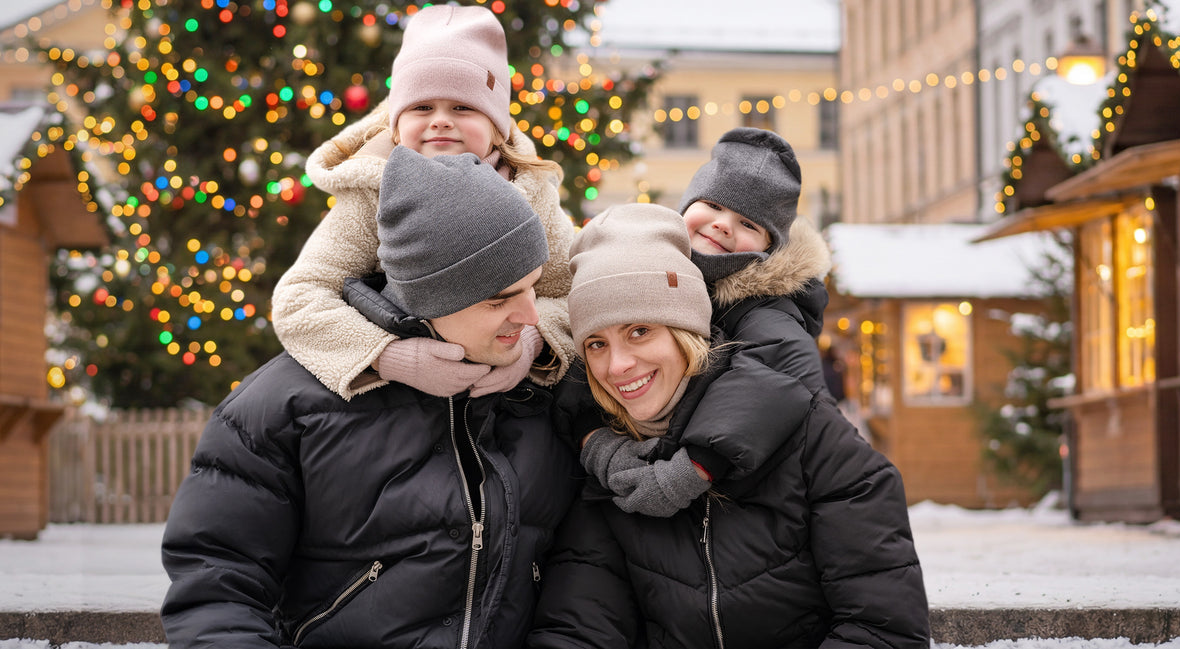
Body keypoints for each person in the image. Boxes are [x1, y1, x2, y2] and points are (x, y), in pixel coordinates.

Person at [161, 148, 590, 649]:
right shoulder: (286, 407)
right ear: (430, 298)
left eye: (532, 288)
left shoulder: (549, 390)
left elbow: (582, 580)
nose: (532, 317)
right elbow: (218, 585)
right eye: (499, 300)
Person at [528, 204, 929, 649]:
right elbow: (581, 626)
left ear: (687, 332)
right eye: (596, 343)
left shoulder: (811, 437)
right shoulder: (610, 466)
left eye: (640, 331)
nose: (617, 365)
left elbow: (882, 630)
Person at [272, 3, 578, 401]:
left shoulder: (529, 192)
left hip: (501, 409)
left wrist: (533, 344)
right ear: (397, 127)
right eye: (422, 107)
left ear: (497, 128)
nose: (441, 120)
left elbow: (571, 290)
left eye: (463, 107)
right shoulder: (371, 193)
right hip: (396, 407)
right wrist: (389, 356)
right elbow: (300, 298)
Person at [571, 127, 838, 518]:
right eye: (713, 205)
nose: (723, 225)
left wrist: (698, 463)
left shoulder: (767, 307)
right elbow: (586, 362)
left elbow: (770, 378)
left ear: (768, 247)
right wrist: (594, 438)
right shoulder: (644, 270)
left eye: (748, 224)